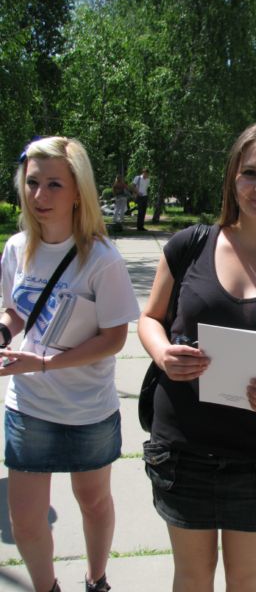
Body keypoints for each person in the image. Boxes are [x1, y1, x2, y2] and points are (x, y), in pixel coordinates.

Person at [138, 121, 256, 591]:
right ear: (232, 177)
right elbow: (150, 319)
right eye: (251, 173)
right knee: (192, 576)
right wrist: (163, 353)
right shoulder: (190, 245)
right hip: (181, 449)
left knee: (246, 578)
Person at [0, 136, 140, 592]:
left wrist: (43, 362)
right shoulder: (16, 248)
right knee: (25, 520)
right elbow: (17, 309)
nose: (39, 196)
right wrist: (2, 331)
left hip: (87, 408)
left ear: (78, 191)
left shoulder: (101, 258)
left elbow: (114, 337)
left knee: (93, 502)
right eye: (32, 183)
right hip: (28, 406)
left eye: (54, 184)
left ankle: (96, 579)